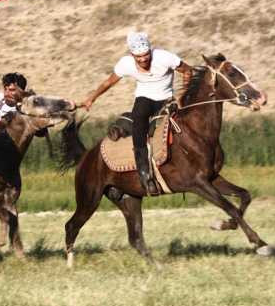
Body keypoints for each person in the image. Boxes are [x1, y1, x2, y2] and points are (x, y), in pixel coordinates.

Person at [80, 31, 192, 195]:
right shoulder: (126, 63)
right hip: (144, 98)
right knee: (139, 124)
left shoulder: (164, 57)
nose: (143, 59)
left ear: (150, 50)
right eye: (138, 57)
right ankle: (145, 174)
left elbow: (188, 71)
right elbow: (109, 82)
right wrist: (92, 98)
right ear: (132, 55)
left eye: (146, 55)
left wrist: (182, 96)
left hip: (167, 98)